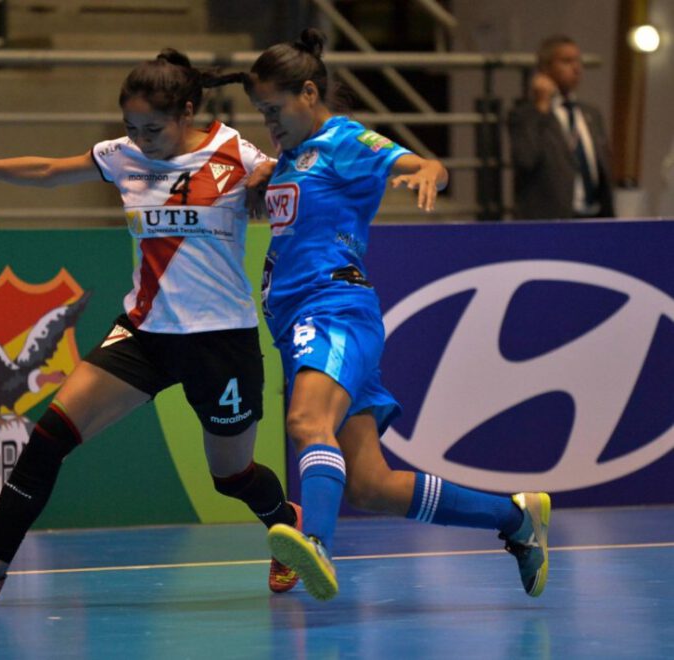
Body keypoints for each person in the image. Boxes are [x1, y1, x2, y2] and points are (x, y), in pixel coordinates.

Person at [0, 49, 304, 600]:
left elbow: (285, 192)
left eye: (153, 127)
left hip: (221, 342)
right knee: (47, 439)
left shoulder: (234, 152)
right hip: (144, 334)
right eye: (131, 127)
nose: (142, 138)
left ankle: (285, 523)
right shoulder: (123, 157)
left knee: (231, 476)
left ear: (188, 112)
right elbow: (48, 172)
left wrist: (273, 178)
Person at [234, 29, 551, 601]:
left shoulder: (344, 139)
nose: (268, 123)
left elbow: (421, 162)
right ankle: (515, 519)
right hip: (298, 325)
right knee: (372, 485)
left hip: (333, 310)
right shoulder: (288, 157)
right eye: (260, 113)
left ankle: (320, 549)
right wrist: (264, 180)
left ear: (310, 92)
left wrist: (431, 171)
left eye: (274, 110)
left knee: (308, 423)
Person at [508, 34, 615, 220]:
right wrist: (541, 108)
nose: (576, 68)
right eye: (566, 61)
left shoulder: (591, 114)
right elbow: (525, 159)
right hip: (552, 221)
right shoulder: (525, 115)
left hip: (594, 216)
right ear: (545, 69)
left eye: (578, 61)